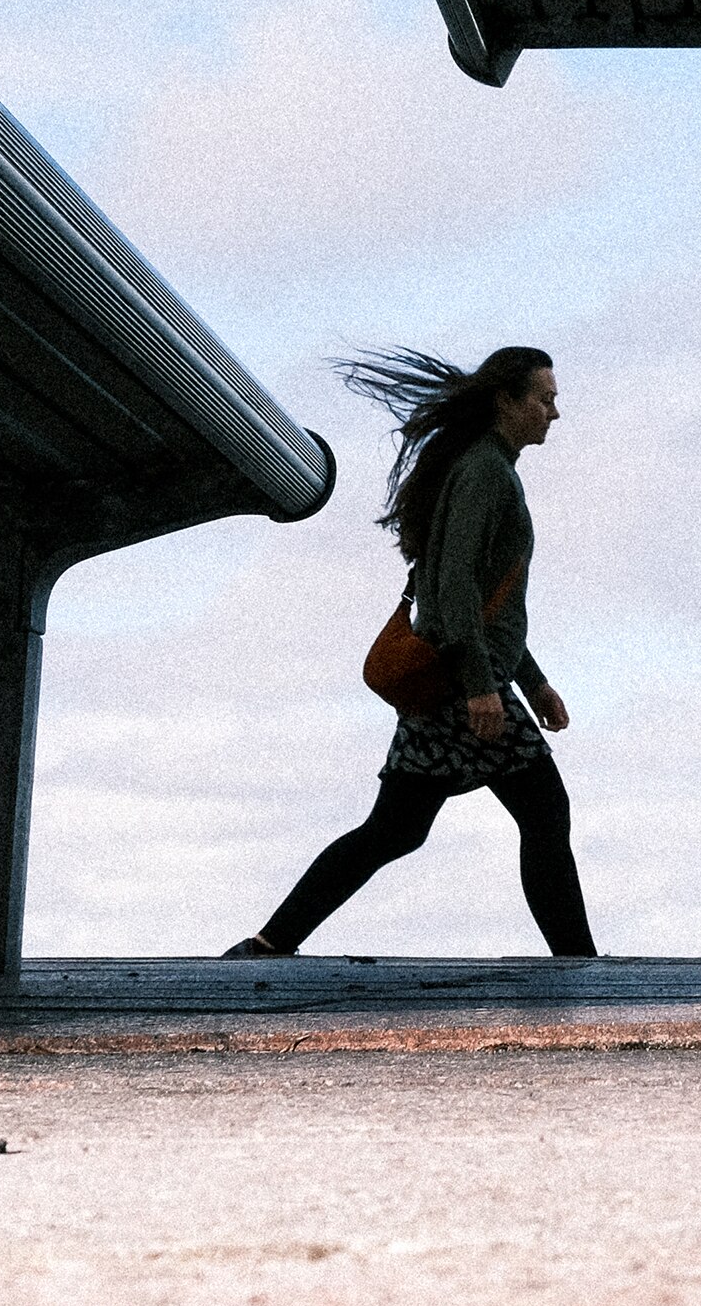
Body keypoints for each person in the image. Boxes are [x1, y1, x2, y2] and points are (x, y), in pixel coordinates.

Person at [226, 343, 595, 958]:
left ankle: (267, 944)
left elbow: (485, 602)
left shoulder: (486, 467)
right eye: (545, 399)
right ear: (507, 400)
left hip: (459, 676)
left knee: (395, 830)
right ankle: (580, 965)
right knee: (544, 812)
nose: (554, 413)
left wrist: (532, 682)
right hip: (461, 684)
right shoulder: (484, 474)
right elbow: (452, 585)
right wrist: (482, 686)